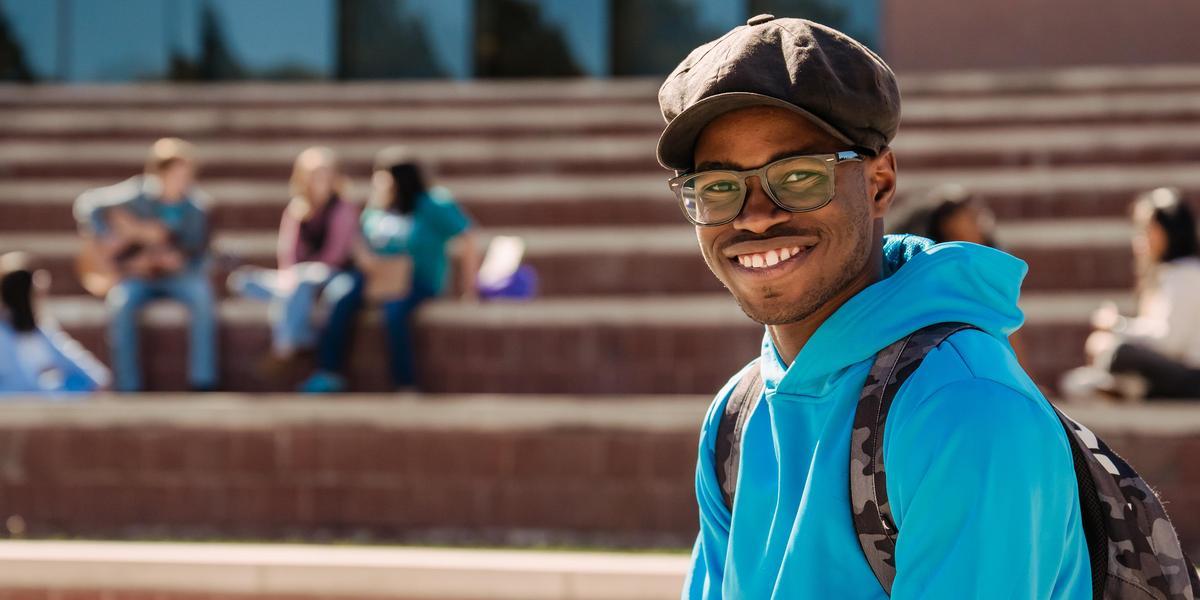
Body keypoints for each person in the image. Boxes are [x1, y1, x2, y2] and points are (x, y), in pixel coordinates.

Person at [657, 17, 1088, 598]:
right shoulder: (736, 415)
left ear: (880, 183)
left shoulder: (963, 406)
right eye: (718, 187)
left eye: (799, 177)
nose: (754, 216)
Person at [299, 147, 480, 393]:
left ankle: (405, 384)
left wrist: (469, 289)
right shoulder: (379, 204)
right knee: (339, 295)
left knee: (394, 310)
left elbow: (468, 238)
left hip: (418, 280)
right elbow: (360, 236)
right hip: (375, 276)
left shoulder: (433, 203)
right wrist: (364, 257)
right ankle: (328, 372)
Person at [74, 137, 217, 392]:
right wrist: (116, 239)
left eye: (186, 175)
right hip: (135, 276)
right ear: (159, 173)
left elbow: (200, 255)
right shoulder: (135, 194)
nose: (181, 181)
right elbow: (87, 204)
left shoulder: (197, 208)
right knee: (120, 303)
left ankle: (203, 381)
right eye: (175, 174)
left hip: (177, 277)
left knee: (202, 295)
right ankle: (128, 386)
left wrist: (179, 263)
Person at [227, 147, 358, 377]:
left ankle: (283, 347)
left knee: (301, 283)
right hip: (297, 276)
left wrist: (299, 274)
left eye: (325, 173)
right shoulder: (297, 209)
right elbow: (287, 253)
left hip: (328, 273)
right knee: (243, 281)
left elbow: (335, 255)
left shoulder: (343, 209)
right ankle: (306, 336)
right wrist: (289, 275)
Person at [1063, 187, 1200, 400]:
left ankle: (1132, 387)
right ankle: (1129, 386)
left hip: (1191, 375)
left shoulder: (1185, 274)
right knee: (1085, 373)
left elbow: (1170, 342)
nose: (1141, 238)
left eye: (1147, 229)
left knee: (1114, 350)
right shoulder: (1171, 274)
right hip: (1179, 371)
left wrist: (1117, 325)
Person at [0, 252, 111, 395]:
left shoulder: (44, 332)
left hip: (53, 405)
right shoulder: (3, 335)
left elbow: (96, 376)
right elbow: (19, 386)